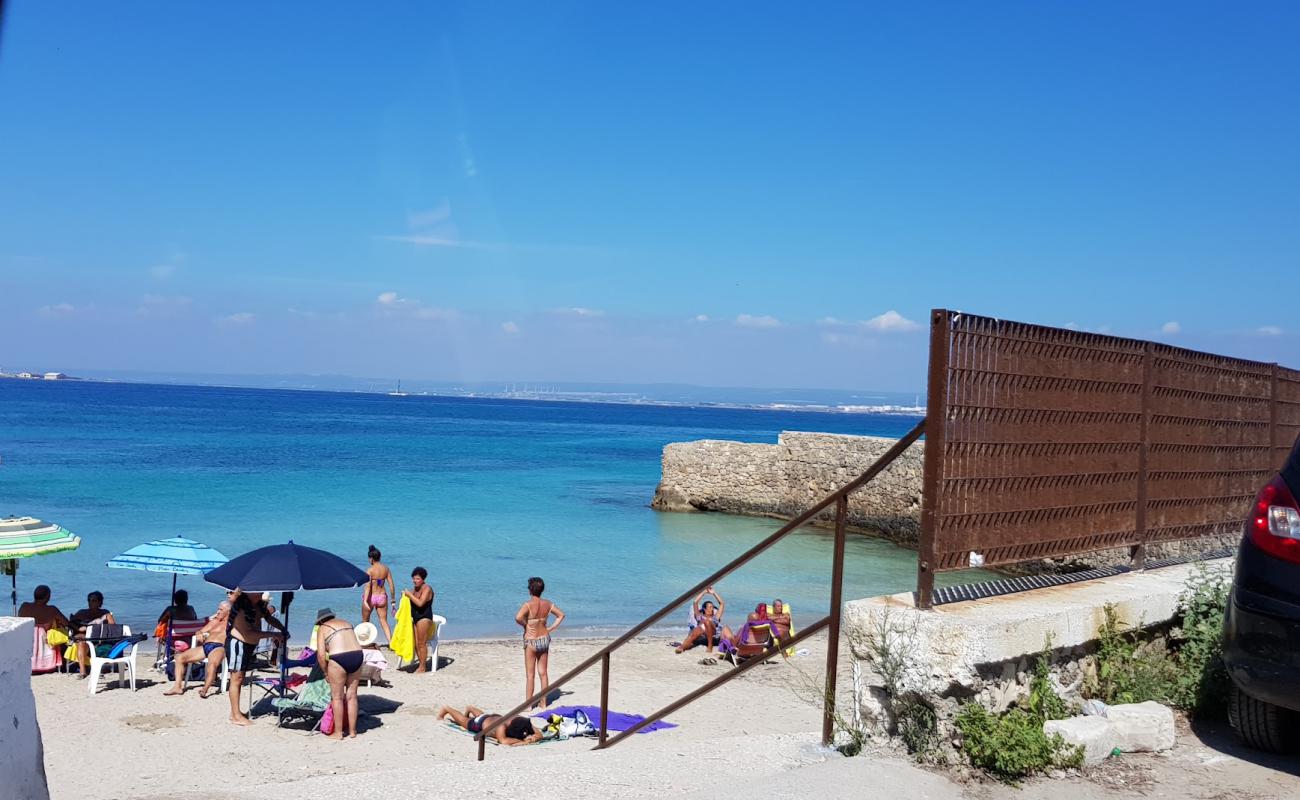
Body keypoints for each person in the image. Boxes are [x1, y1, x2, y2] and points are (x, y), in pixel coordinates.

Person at [225, 587, 287, 726]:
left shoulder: (258, 605)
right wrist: (273, 634)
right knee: (237, 678)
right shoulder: (241, 609)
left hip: (248, 645)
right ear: (249, 593)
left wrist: (282, 629)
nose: (261, 594)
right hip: (238, 644)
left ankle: (235, 713)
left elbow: (269, 618)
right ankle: (235, 715)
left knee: (239, 678)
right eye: (258, 592)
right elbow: (248, 633)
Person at [514, 576, 565, 708]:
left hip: (531, 641)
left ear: (530, 591)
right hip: (544, 639)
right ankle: (543, 703)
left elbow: (518, 617)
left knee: (530, 675)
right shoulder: (547, 604)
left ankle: (528, 705)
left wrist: (525, 625)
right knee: (543, 673)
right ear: (542, 590)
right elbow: (561, 615)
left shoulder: (528, 605)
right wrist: (551, 628)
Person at [314, 608, 363, 740]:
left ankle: (338, 732)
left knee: (337, 697)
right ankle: (353, 731)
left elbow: (321, 655)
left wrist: (325, 672)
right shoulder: (347, 623)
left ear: (320, 621)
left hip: (338, 658)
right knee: (352, 696)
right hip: (357, 655)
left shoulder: (322, 628)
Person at [164, 600, 230, 697]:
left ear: (228, 611)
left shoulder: (232, 624)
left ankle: (205, 689)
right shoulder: (215, 621)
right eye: (218, 609)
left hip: (219, 647)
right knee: (179, 658)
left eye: (221, 610)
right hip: (206, 646)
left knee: (212, 664)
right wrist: (199, 634)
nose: (218, 612)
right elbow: (200, 631)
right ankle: (177, 687)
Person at [436, 704, 542, 746]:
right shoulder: (502, 727)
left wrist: (535, 737)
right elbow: (503, 741)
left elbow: (539, 733)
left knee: (483, 715)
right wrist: (523, 741)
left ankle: (471, 708)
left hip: (493, 717)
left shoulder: (522, 721)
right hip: (480, 724)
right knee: (464, 721)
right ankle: (446, 709)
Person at [70, 591, 117, 677]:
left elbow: (113, 628)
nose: (91, 603)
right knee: (81, 641)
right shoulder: (82, 612)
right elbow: (71, 623)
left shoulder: (105, 613)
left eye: (94, 600)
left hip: (100, 639)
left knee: (83, 640)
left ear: (100, 602)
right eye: (89, 600)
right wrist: (78, 628)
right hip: (86, 639)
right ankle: (82, 671)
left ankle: (88, 668)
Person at [676, 587, 731, 654]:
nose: (712, 609)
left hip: (713, 634)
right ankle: (682, 647)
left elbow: (722, 603)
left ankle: (710, 645)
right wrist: (704, 592)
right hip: (701, 634)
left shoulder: (716, 617)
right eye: (710, 607)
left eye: (713, 607)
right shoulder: (699, 615)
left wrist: (714, 593)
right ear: (704, 609)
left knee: (707, 622)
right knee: (695, 631)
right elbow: (695, 602)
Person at [401, 567, 435, 673]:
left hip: (424, 617)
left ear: (423, 579)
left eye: (417, 579)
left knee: (421, 643)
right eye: (414, 579)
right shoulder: (414, 590)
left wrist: (409, 595)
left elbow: (420, 603)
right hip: (415, 618)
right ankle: (421, 664)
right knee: (416, 643)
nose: (415, 581)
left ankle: (423, 667)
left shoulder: (427, 588)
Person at [361, 545, 395, 645]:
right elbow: (391, 585)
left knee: (365, 621)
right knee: (384, 621)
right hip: (382, 597)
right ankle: (391, 642)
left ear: (371, 558)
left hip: (371, 598)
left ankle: (366, 643)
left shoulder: (370, 570)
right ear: (379, 557)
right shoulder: (386, 569)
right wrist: (393, 600)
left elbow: (368, 586)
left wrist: (365, 601)